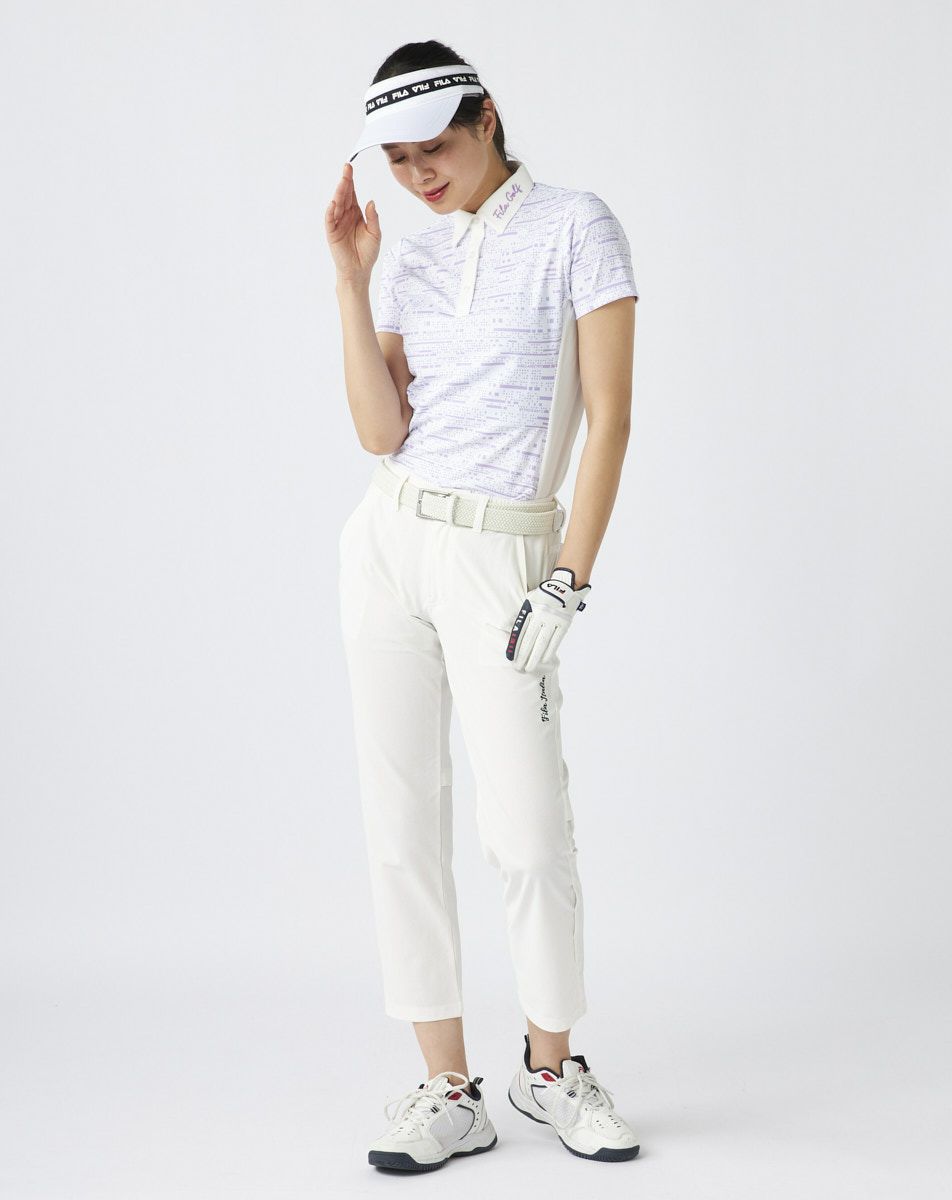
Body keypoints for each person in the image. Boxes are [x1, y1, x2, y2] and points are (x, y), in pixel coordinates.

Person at [325, 41, 641, 1171]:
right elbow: (379, 431)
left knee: (529, 831)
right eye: (398, 161)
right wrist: (351, 280)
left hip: (504, 553)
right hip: (389, 542)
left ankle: (551, 1071)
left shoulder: (577, 226)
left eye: (436, 150)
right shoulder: (410, 254)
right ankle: (446, 1087)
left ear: (487, 119)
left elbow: (609, 418)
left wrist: (569, 577)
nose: (419, 176)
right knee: (400, 820)